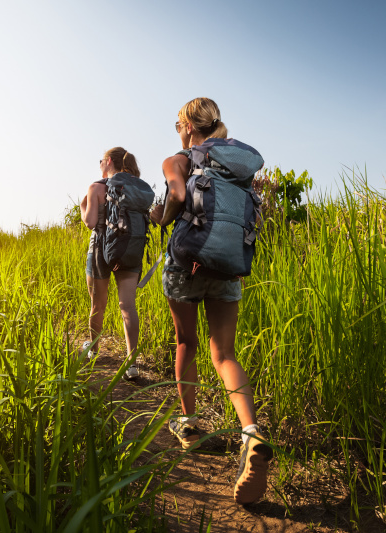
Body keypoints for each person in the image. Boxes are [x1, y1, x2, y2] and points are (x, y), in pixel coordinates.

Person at [149, 97, 273, 504]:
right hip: (227, 265)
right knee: (225, 354)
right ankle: (251, 433)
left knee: (187, 343)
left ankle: (188, 426)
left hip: (186, 265)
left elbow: (178, 198)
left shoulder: (179, 159)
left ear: (187, 125)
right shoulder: (235, 165)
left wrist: (159, 216)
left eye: (177, 123)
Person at [80, 147, 144, 380]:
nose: (100, 165)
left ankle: (94, 348)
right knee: (127, 305)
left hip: (100, 251)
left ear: (108, 162)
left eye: (101, 161)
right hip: (129, 250)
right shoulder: (135, 188)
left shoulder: (97, 187)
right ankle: (132, 363)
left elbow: (89, 222)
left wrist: (82, 206)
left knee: (98, 305)